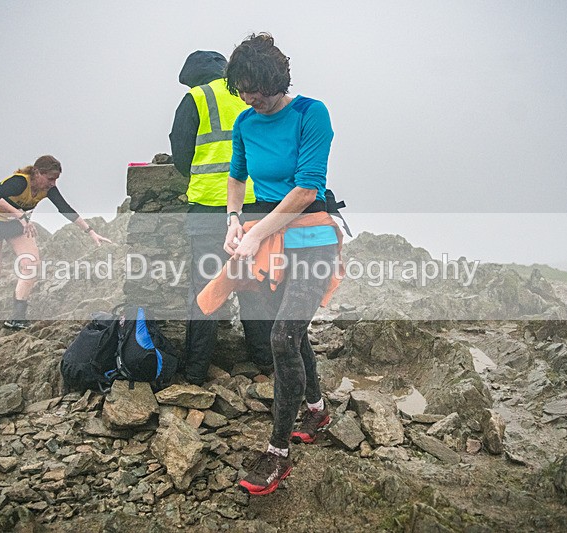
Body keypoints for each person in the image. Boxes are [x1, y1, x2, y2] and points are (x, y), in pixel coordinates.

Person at [215, 33, 343, 495]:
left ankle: (277, 453)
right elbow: (236, 175)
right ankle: (317, 407)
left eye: (259, 90)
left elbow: (308, 189)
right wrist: (234, 221)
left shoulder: (312, 113)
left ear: (277, 81)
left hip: (311, 240)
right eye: (244, 91)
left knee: (282, 336)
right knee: (293, 333)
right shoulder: (246, 122)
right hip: (268, 241)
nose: (253, 99)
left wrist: (256, 233)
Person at [169, 50, 273, 385]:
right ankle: (264, 361)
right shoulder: (248, 93)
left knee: (206, 287)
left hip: (209, 208)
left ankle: (196, 370)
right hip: (255, 204)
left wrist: (200, 174)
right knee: (255, 282)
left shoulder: (196, 98)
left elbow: (180, 152)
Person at [0, 155, 111, 329]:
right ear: (38, 173)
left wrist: (90, 231)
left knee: (31, 265)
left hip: (16, 226)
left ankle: (18, 316)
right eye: (50, 179)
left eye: (56, 179)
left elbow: (65, 208)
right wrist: (19, 215)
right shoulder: (20, 182)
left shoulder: (48, 189)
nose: (53, 183)